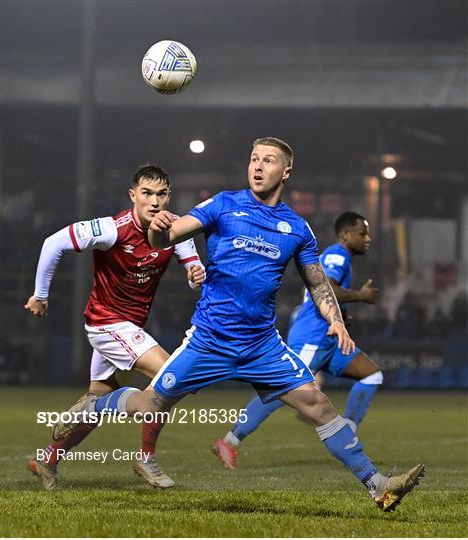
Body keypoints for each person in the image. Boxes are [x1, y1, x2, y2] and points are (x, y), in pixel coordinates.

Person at [57, 138, 424, 511]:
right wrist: (158, 227)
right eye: (253, 159)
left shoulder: (297, 228)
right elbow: (163, 236)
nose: (258, 166)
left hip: (261, 346)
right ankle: (94, 406)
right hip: (209, 341)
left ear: (286, 172)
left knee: (319, 406)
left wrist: (336, 321)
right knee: (149, 404)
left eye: (268, 160)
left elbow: (317, 282)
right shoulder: (223, 204)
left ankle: (379, 485)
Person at [24, 164, 205, 490]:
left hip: (129, 329)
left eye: (161, 194)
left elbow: (194, 271)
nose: (154, 201)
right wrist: (40, 294)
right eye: (146, 194)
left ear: (169, 197)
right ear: (132, 195)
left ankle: (47, 459)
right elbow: (54, 242)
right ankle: (145, 457)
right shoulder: (112, 229)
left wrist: (196, 276)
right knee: (172, 375)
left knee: (93, 409)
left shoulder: (176, 229)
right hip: (106, 324)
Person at [213, 212, 383, 469]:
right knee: (280, 390)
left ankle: (347, 432)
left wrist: (341, 316)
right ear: (345, 235)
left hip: (328, 340)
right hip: (312, 339)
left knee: (372, 375)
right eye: (362, 233)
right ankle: (230, 440)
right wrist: (360, 295)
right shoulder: (338, 254)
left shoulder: (338, 256)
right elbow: (330, 288)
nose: (367, 238)